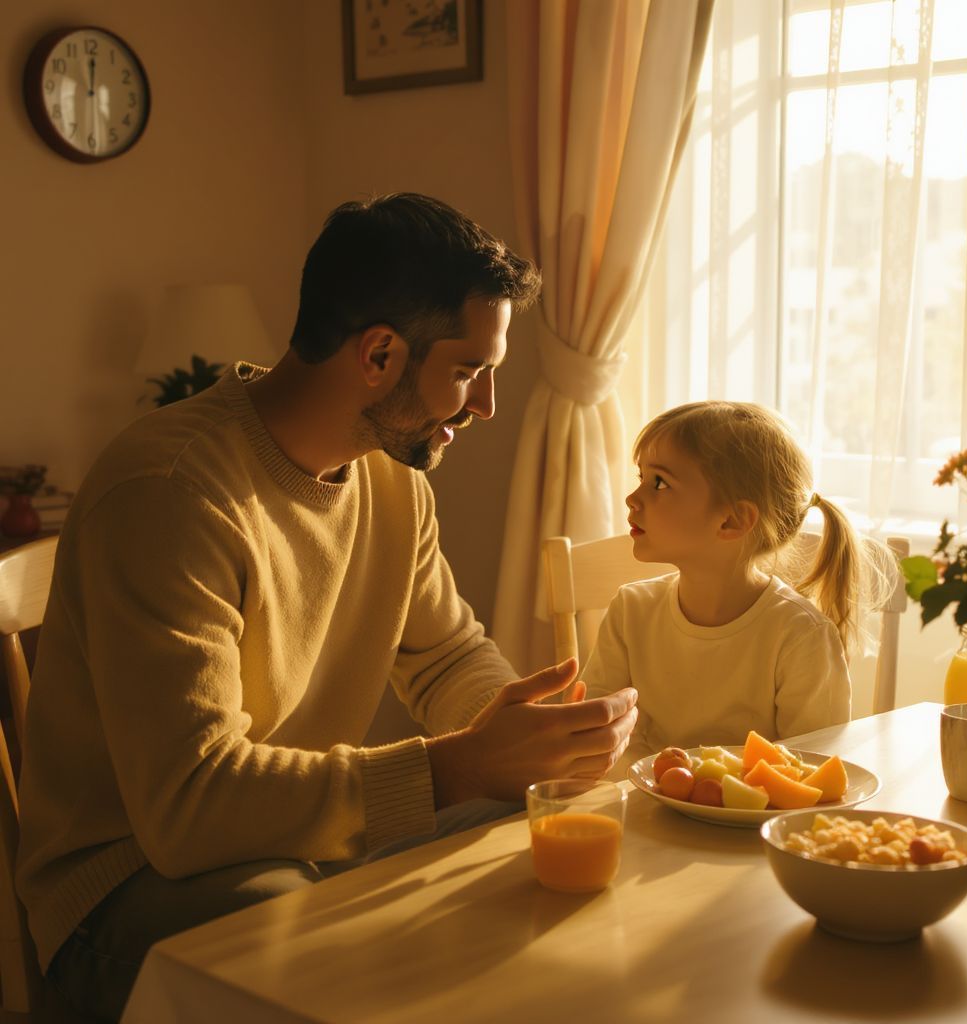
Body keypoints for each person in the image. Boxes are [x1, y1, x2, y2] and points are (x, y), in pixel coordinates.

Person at [16, 193, 639, 1021]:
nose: (485, 405)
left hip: (279, 842)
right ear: (379, 354)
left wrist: (543, 738)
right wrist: (458, 766)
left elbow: (448, 656)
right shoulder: (171, 494)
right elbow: (189, 809)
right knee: (328, 955)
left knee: (519, 860)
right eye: (469, 371)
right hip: (128, 884)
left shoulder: (392, 477)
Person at [582, 400, 892, 772]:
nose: (633, 499)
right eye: (641, 478)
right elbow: (596, 740)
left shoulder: (801, 634)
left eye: (660, 483)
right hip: (644, 813)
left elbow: (812, 771)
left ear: (731, 520)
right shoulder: (630, 610)